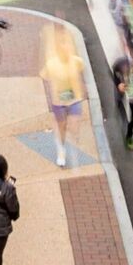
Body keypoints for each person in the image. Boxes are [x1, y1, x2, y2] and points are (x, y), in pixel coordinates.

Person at [39, 24, 86, 167]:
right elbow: (44, 76)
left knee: (74, 124)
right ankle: (61, 150)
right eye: (63, 46)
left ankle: (72, 142)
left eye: (68, 46)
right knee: (62, 127)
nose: (66, 49)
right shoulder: (51, 64)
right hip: (58, 101)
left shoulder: (77, 61)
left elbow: (81, 73)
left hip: (75, 99)